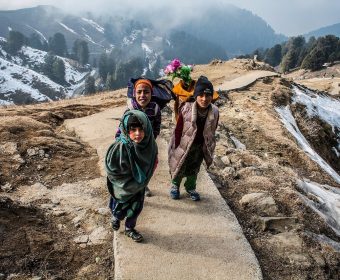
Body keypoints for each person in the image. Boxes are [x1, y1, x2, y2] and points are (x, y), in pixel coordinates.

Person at [106, 110, 158, 242]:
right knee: (119, 206)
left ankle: (129, 228)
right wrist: (126, 179)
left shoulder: (150, 146)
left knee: (135, 209)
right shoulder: (120, 147)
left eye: (141, 129)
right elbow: (112, 169)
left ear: (147, 128)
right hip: (123, 187)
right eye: (133, 129)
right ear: (125, 129)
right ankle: (116, 218)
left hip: (139, 187)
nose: (138, 134)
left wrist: (143, 178)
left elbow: (153, 162)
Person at [168, 76, 219, 201]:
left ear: (212, 97)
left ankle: (190, 187)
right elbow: (179, 128)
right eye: (201, 95)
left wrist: (209, 145)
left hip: (199, 146)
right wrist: (176, 146)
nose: (204, 99)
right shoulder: (186, 108)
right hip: (184, 144)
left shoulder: (215, 111)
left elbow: (213, 129)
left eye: (208, 95)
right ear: (195, 95)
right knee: (180, 165)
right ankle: (175, 185)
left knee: (194, 168)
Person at [115, 79, 161, 197]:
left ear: (151, 93)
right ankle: (132, 186)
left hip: (147, 146)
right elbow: (122, 128)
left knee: (148, 165)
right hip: (132, 145)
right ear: (134, 93)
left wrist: (151, 140)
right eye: (139, 92)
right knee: (131, 166)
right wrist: (119, 141)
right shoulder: (130, 110)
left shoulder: (155, 109)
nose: (142, 95)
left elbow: (157, 126)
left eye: (146, 92)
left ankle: (143, 184)